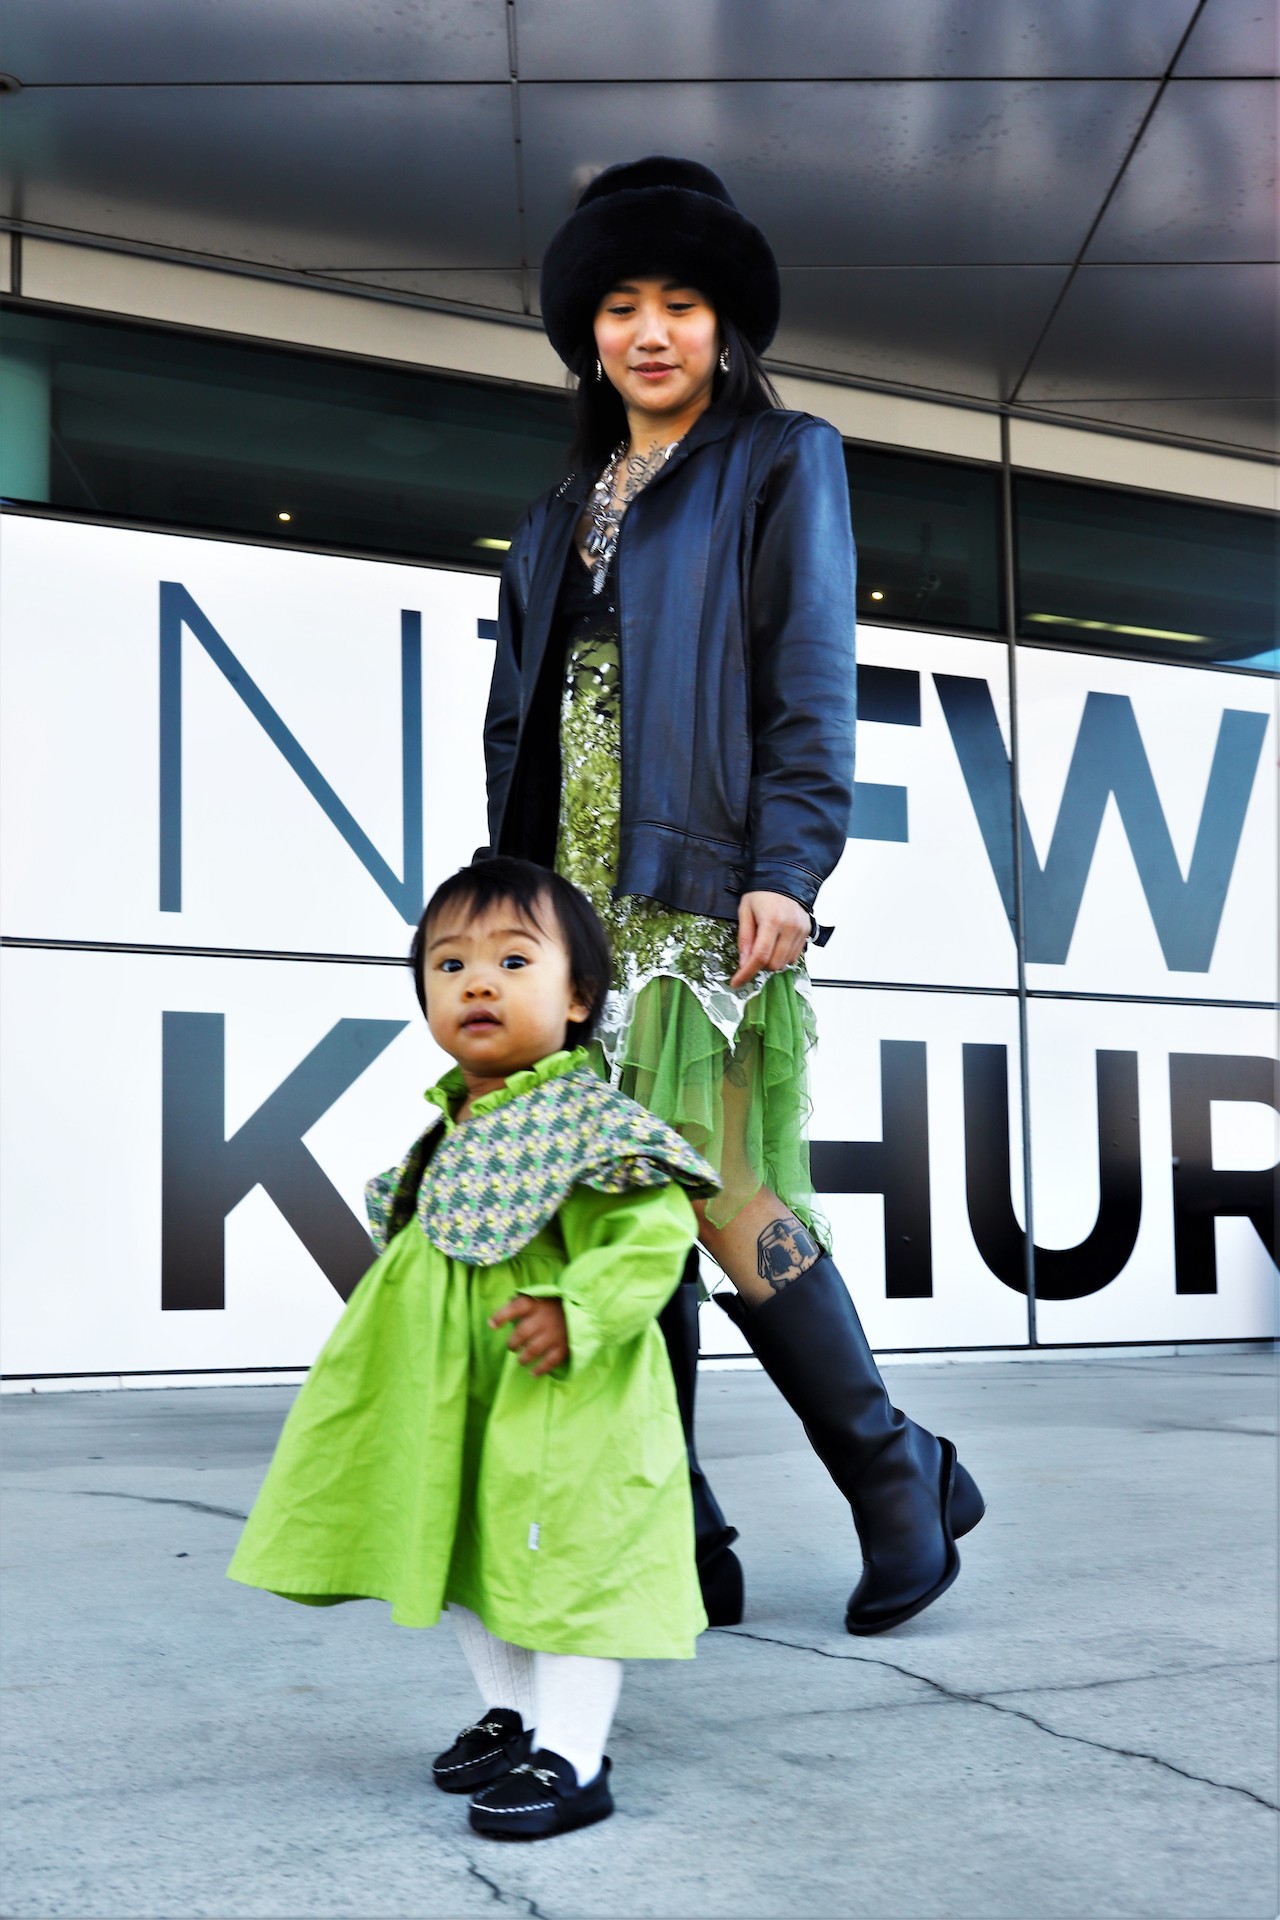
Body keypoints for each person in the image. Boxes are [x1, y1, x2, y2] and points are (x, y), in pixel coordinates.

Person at [483, 155, 985, 1637]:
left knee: (714, 1185)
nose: (650, 332)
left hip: (698, 885)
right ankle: (682, 1532)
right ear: (587, 334)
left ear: (725, 327)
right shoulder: (554, 510)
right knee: (609, 1209)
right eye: (620, 306)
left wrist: (786, 869)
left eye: (682, 304)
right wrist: (508, 923)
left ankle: (893, 1476)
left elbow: (808, 673)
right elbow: (516, 726)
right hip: (566, 910)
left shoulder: (780, 457)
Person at [227, 857, 718, 1840]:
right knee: (466, 1548)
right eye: (449, 966)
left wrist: (576, 1310)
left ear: (577, 998)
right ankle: (514, 1716)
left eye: (512, 961)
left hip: (559, 1394)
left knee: (568, 1567)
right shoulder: (454, 1123)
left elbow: (651, 1236)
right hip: (454, 1394)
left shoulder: (588, 1122)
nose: (477, 983)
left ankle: (573, 1759)